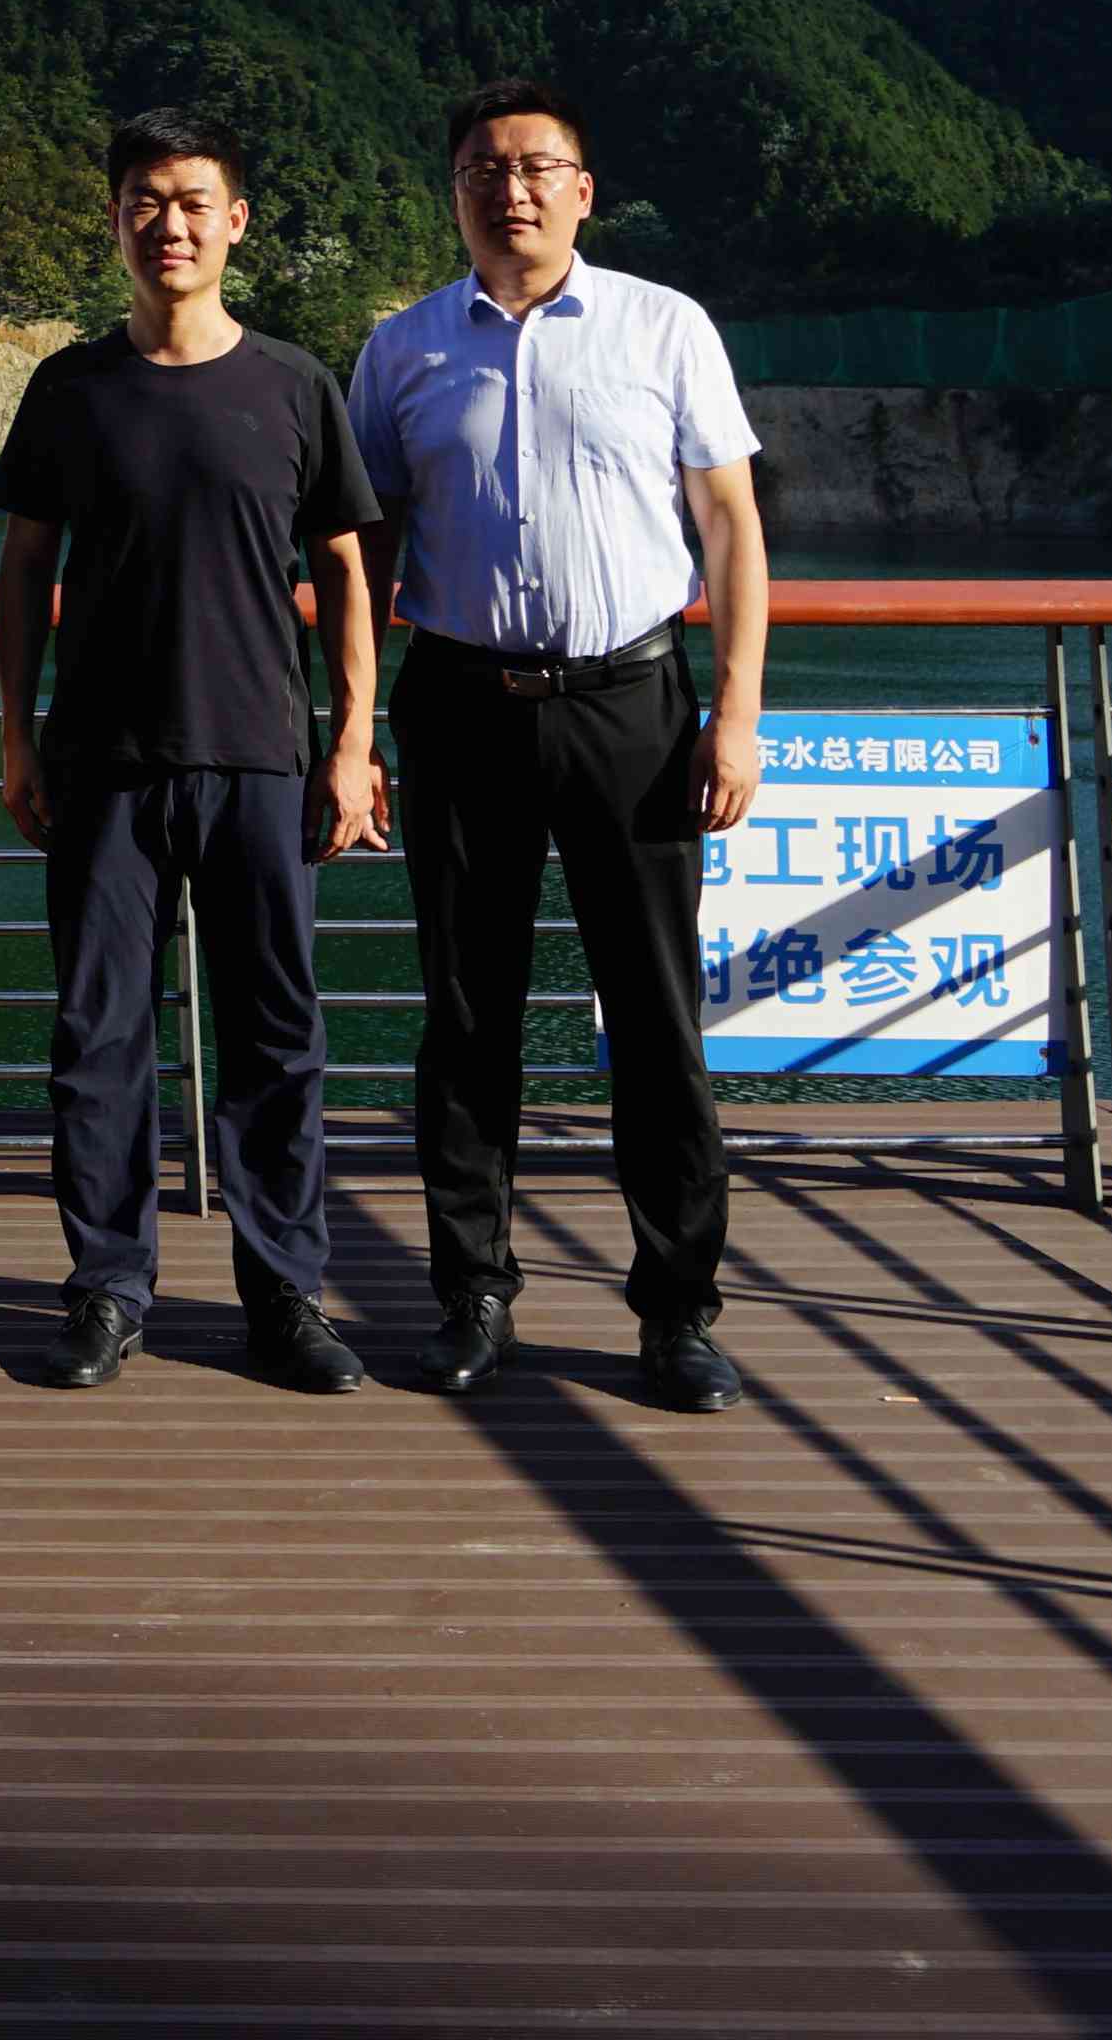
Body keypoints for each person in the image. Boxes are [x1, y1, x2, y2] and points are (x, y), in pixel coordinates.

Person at [347, 79, 771, 1413]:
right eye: (485, 168)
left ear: (584, 191)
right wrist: (350, 728)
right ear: (455, 194)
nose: (511, 188)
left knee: (655, 1015)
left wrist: (738, 711)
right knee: (468, 1015)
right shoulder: (402, 349)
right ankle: (472, 1293)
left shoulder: (664, 326)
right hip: (458, 701)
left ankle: (678, 1310)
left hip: (631, 705)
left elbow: (731, 526)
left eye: (537, 167)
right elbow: (360, 551)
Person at [0, 107, 387, 1395]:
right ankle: (109, 1287)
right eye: (145, 200)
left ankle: (285, 1294)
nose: (170, 223)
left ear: (236, 221)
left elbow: (346, 570)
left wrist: (353, 741)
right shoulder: (70, 387)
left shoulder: (293, 383)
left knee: (276, 1036)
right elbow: (25, 568)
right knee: (99, 1037)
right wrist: (15, 738)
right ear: (116, 220)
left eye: (194, 200)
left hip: (263, 755)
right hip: (102, 760)